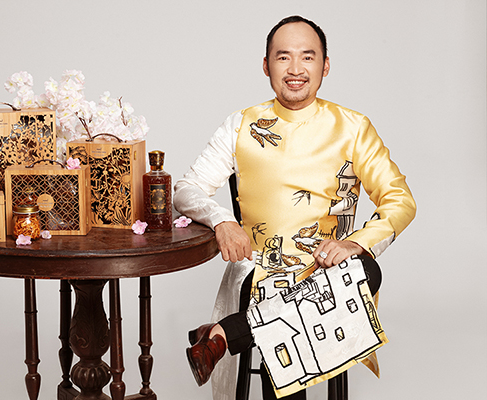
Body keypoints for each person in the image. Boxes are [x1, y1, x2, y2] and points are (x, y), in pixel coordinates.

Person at [174, 15, 416, 400]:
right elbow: (185, 190)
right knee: (284, 313)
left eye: (308, 56)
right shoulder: (241, 125)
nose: (296, 69)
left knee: (365, 268)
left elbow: (399, 199)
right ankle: (234, 332)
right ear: (266, 65)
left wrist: (355, 243)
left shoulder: (353, 127)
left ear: (325, 65)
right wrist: (222, 221)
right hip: (262, 269)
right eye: (283, 57)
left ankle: (224, 335)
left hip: (329, 270)